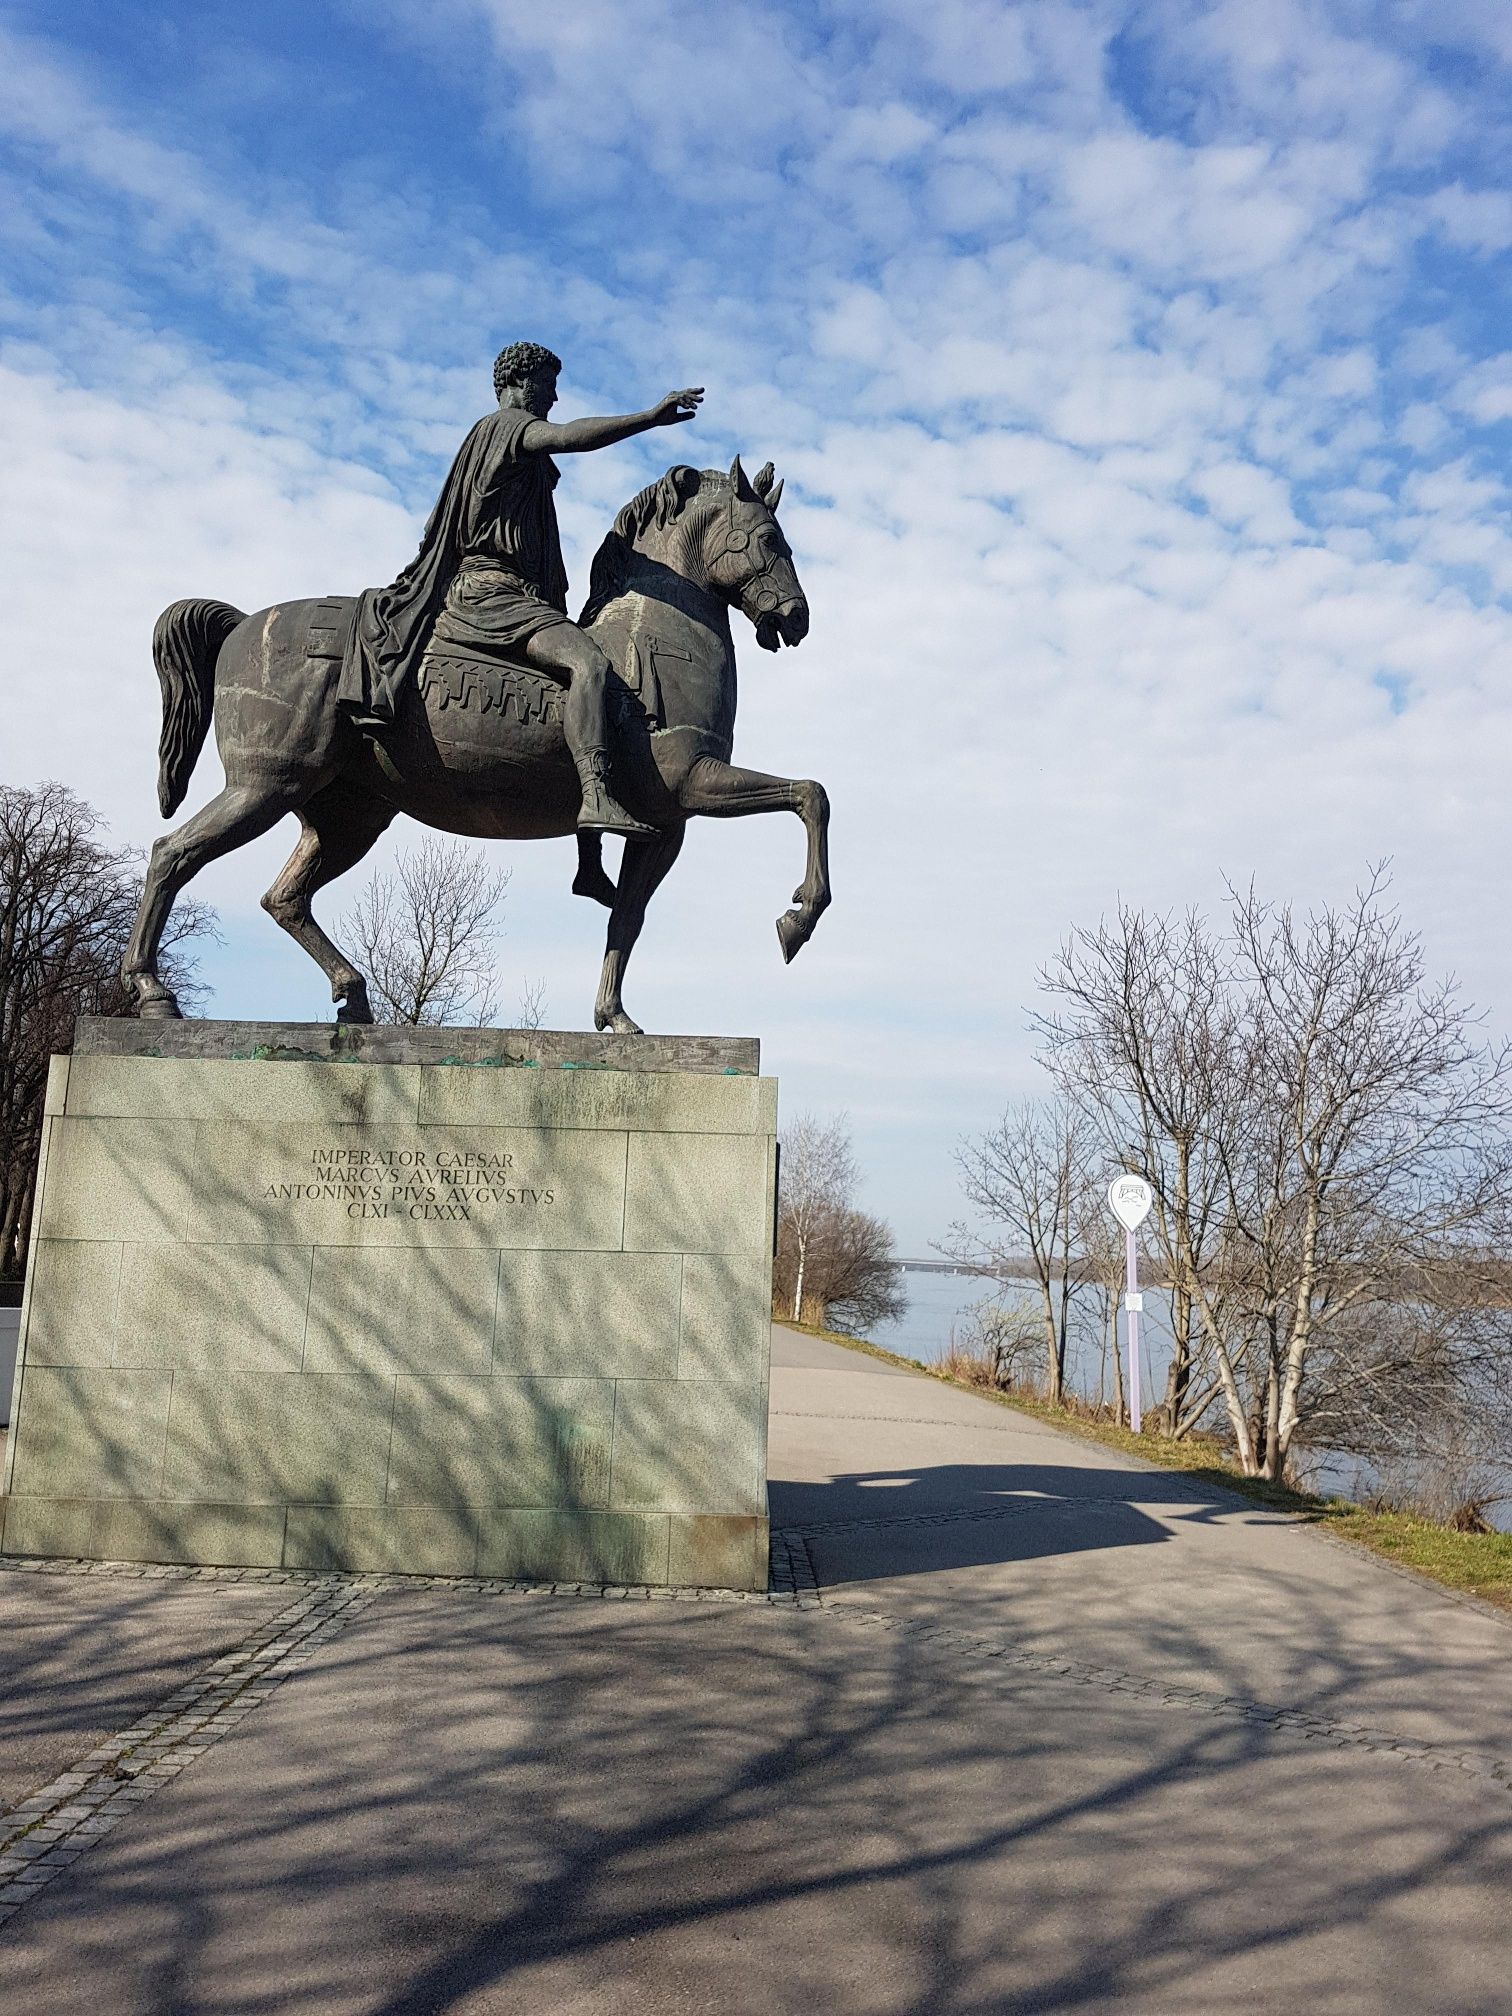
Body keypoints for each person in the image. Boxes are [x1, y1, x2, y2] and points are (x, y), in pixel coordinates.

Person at [341, 341, 703, 836]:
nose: (553, 398)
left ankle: (589, 861)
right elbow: (572, 438)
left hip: (503, 591)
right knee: (590, 664)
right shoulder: (504, 428)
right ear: (516, 384)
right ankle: (596, 796)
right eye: (547, 385)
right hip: (494, 594)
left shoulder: (498, 441)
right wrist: (648, 417)